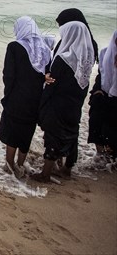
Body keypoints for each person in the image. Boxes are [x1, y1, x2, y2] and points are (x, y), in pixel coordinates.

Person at [32, 21, 94, 182]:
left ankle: (45, 174)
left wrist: (42, 104)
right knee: (71, 134)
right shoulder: (86, 58)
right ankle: (67, 169)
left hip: (58, 104)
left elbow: (52, 83)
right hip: (74, 105)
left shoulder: (63, 58)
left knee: (53, 135)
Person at [0, 17, 51, 178]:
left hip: (17, 97)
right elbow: (47, 75)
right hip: (36, 99)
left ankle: (9, 164)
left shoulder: (14, 47)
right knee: (28, 129)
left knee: (13, 130)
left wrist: (7, 95)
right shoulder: (44, 49)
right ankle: (20, 164)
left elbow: (9, 74)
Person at [87, 31, 117, 159]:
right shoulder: (105, 52)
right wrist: (97, 91)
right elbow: (101, 74)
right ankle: (101, 156)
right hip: (104, 95)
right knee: (96, 122)